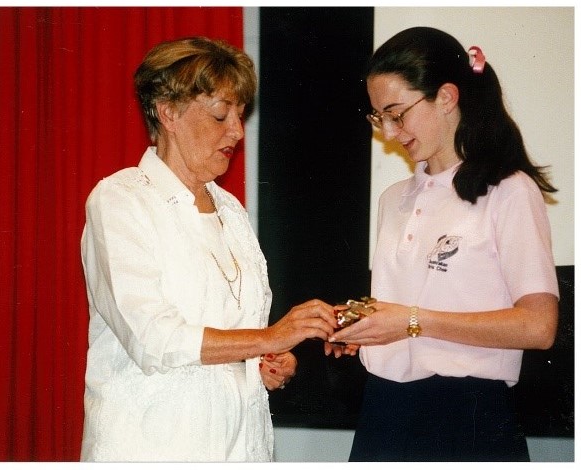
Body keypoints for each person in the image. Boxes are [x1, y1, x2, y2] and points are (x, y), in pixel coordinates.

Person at [80, 36, 338, 462]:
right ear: (168, 113)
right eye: (221, 115)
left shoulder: (231, 210)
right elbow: (152, 340)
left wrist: (267, 360)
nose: (237, 131)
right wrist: (269, 336)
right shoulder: (120, 199)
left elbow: (234, 332)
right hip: (152, 450)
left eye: (240, 114)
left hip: (241, 448)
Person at [326, 26, 559, 462]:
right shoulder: (392, 199)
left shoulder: (509, 190)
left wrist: (412, 322)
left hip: (468, 417)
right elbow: (408, 314)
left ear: (447, 97)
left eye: (398, 114)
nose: (390, 133)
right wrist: (365, 328)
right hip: (383, 413)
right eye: (380, 118)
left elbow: (538, 327)